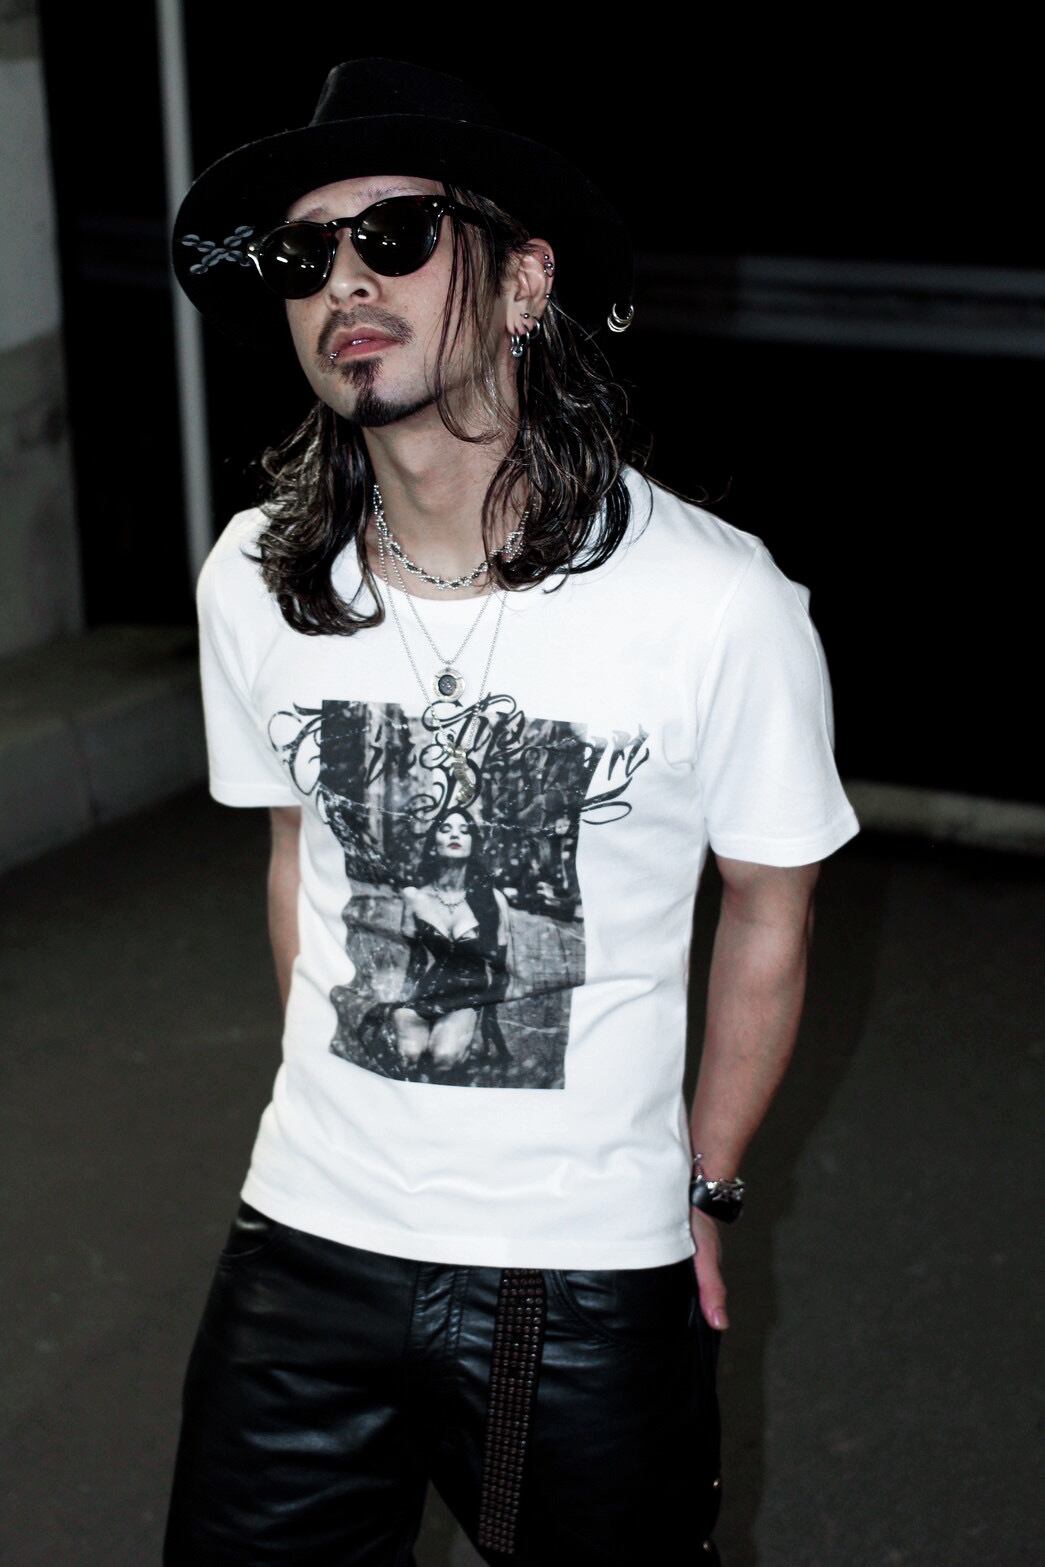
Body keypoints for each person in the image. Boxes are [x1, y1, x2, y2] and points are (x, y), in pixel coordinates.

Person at [163, 56, 861, 1567]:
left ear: (525, 281)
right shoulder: (257, 582)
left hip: (582, 1277)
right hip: (304, 1247)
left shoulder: (713, 602)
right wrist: (350, 1102)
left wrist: (705, 1183)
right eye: (304, 256)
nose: (346, 282)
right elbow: (298, 854)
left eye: (396, 234)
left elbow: (770, 905)